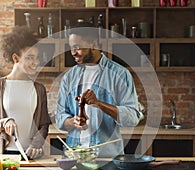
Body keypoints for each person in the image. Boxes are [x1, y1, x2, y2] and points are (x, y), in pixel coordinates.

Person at [56, 22, 143, 157]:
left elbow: (132, 117)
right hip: (74, 156)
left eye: (77, 47)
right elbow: (60, 117)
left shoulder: (120, 74)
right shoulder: (69, 77)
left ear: (94, 44)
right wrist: (73, 121)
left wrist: (100, 104)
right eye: (71, 48)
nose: (73, 53)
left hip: (108, 157)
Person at [0, 26, 51, 159]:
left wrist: (36, 145)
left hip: (31, 156)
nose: (36, 62)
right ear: (15, 58)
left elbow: (44, 124)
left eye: (37, 58)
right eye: (30, 57)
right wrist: (4, 122)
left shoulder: (39, 89)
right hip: (3, 156)